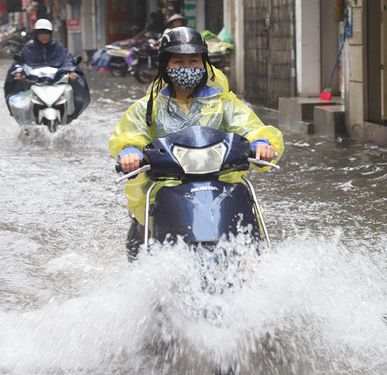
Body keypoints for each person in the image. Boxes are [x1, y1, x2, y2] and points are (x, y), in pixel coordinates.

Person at [109, 26, 284, 259]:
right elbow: (130, 134)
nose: (187, 67)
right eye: (178, 61)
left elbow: (250, 127)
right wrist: (130, 153)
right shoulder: (148, 106)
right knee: (145, 235)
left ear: (204, 64)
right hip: (167, 184)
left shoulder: (224, 103)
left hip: (221, 181)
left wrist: (262, 143)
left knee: (251, 242)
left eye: (194, 61)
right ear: (165, 65)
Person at [4, 18, 89, 121]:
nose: (44, 36)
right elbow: (19, 63)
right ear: (36, 34)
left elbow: (69, 61)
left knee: (78, 101)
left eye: (47, 33)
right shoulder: (29, 48)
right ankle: (26, 125)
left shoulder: (58, 48)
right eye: (41, 33)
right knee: (16, 102)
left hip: (57, 83)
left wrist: (72, 72)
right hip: (33, 83)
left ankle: (68, 120)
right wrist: (18, 73)